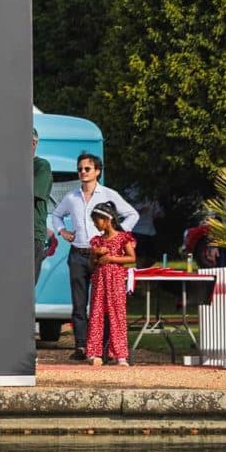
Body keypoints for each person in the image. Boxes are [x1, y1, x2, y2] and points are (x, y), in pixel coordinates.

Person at [47, 153, 138, 358]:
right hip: (78, 253)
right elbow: (56, 214)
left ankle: (104, 348)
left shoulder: (108, 194)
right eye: (79, 169)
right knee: (79, 303)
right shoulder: (72, 197)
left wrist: (117, 236)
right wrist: (63, 232)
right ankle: (81, 347)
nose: (82, 173)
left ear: (97, 171)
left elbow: (133, 213)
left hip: (101, 257)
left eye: (87, 169)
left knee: (104, 302)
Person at [83, 202, 137, 366]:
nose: (94, 224)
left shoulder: (122, 237)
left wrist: (112, 258)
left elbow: (132, 258)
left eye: (96, 220)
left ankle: (120, 354)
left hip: (116, 281)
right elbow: (91, 266)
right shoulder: (97, 241)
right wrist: (94, 254)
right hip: (100, 281)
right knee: (96, 314)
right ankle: (94, 352)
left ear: (107, 220)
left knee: (117, 315)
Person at [32, 130, 55, 266]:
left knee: (25, 285)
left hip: (32, 234)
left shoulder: (42, 166)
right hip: (11, 233)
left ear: (33, 143)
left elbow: (26, 195)